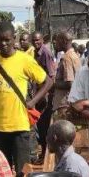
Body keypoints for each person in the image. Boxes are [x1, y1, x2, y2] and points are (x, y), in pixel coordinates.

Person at [0, 21, 53, 177]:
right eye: (0, 40)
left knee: (22, 174)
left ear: (14, 39)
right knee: (0, 174)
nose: (4, 43)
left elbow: (48, 81)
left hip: (19, 127)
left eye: (8, 39)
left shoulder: (24, 59)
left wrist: (33, 102)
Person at [32, 31, 57, 159]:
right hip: (39, 94)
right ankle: (43, 152)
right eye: (34, 40)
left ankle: (46, 154)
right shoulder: (35, 53)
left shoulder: (45, 53)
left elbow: (51, 76)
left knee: (45, 125)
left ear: (42, 40)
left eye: (38, 40)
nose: (36, 43)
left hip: (45, 95)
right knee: (40, 125)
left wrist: (45, 95)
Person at [52, 31, 82, 110]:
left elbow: (69, 83)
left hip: (64, 103)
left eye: (57, 41)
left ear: (63, 41)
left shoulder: (67, 57)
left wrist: (53, 83)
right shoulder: (74, 55)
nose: (56, 43)